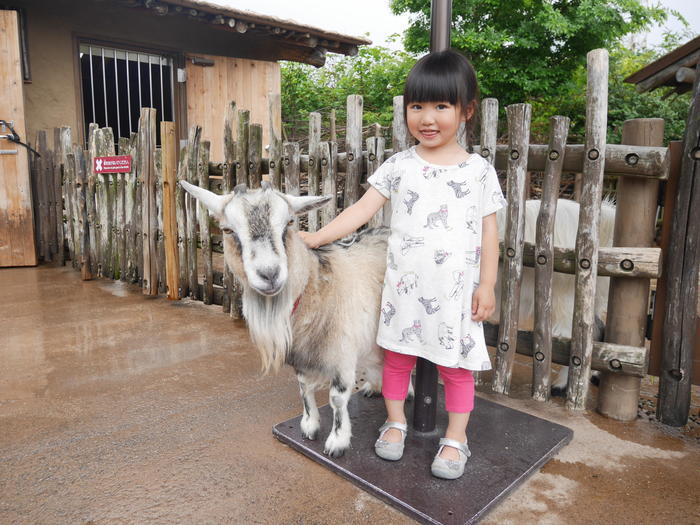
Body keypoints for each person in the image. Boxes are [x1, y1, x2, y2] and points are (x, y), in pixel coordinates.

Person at [299, 49, 506, 480]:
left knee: (456, 368)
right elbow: (361, 210)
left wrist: (486, 285)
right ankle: (395, 423)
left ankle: (457, 438)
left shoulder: (478, 171)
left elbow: (490, 234)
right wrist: (317, 236)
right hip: (405, 291)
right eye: (417, 107)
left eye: (441, 106)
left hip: (454, 294)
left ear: (466, 111)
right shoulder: (399, 166)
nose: (427, 118)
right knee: (396, 361)